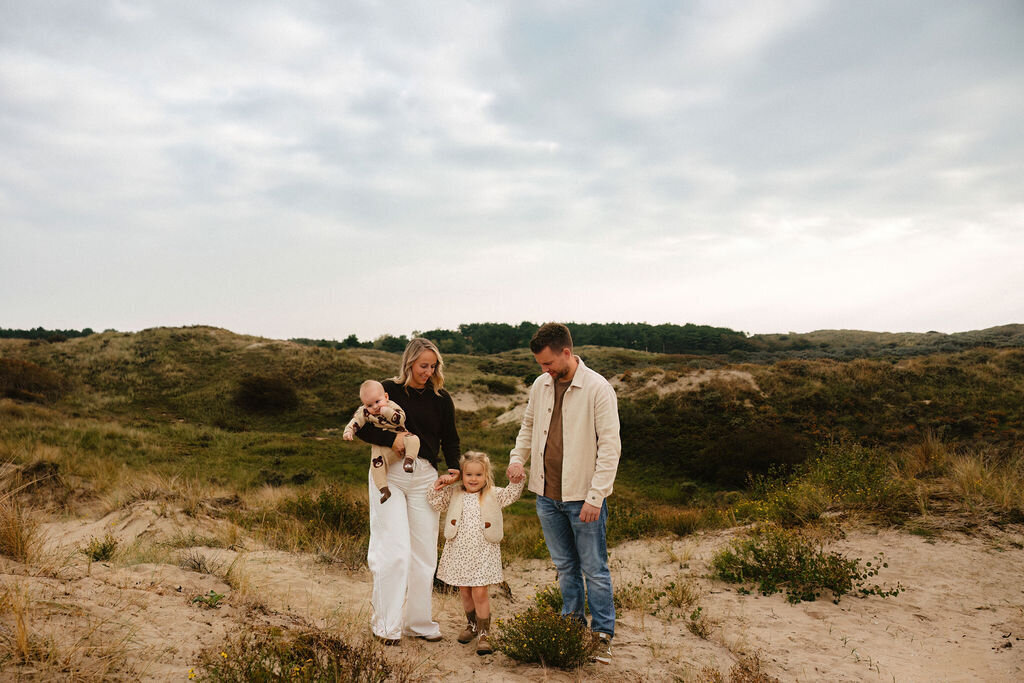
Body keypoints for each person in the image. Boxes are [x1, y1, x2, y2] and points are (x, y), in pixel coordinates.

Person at [506, 322, 621, 663]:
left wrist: (595, 496)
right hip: (546, 496)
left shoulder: (599, 389)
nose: (544, 371)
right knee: (565, 567)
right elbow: (527, 427)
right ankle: (571, 627)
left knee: (595, 568)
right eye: (541, 365)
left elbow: (610, 448)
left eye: (548, 363)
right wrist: (517, 459)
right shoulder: (541, 385)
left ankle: (602, 635)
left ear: (566, 353)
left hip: (582, 498)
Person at [355, 338, 462, 645]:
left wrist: (453, 467)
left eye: (432, 366)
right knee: (394, 550)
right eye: (422, 365)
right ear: (409, 363)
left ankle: (418, 624)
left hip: (425, 475)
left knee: (425, 554)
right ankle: (385, 626)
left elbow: (450, 438)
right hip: (389, 475)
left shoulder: (441, 399)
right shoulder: (387, 390)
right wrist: (393, 442)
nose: (427, 371)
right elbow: (362, 425)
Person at [427, 451, 525, 655]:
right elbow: (434, 501)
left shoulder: (494, 493)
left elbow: (511, 494)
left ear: (486, 476)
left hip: (483, 550)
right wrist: (441, 483)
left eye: (478, 475)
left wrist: (516, 479)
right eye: (469, 474)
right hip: (460, 549)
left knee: (480, 591)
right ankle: (471, 625)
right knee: (464, 590)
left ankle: (484, 633)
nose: (473, 479)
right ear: (461, 475)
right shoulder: (454, 493)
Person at [342, 379, 420, 504]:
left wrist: (387, 412)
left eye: (378, 402)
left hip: (401, 434)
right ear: (364, 405)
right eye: (369, 405)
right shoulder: (364, 411)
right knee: (376, 463)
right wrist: (349, 431)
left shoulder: (391, 405)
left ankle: (409, 461)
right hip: (381, 446)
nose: (375, 407)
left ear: (386, 396)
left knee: (414, 439)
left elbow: (400, 419)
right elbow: (356, 421)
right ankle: (383, 489)